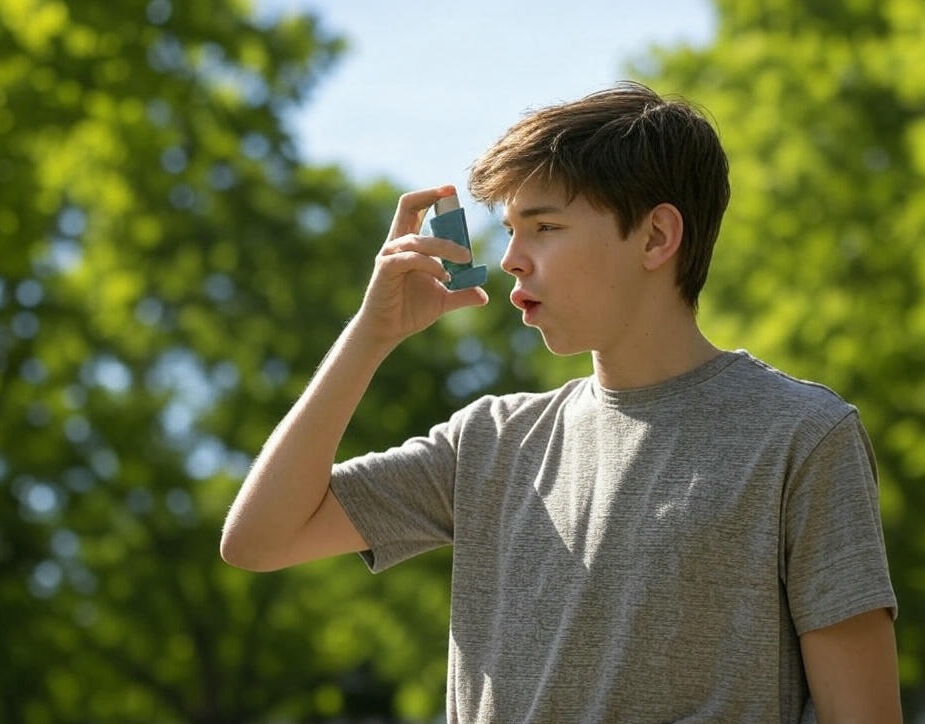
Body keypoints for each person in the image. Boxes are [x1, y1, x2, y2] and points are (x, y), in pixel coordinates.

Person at [220, 82, 901, 722]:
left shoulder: (803, 437)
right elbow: (259, 538)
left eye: (543, 227)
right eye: (510, 230)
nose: (512, 257)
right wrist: (371, 336)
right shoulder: (489, 441)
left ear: (657, 237)